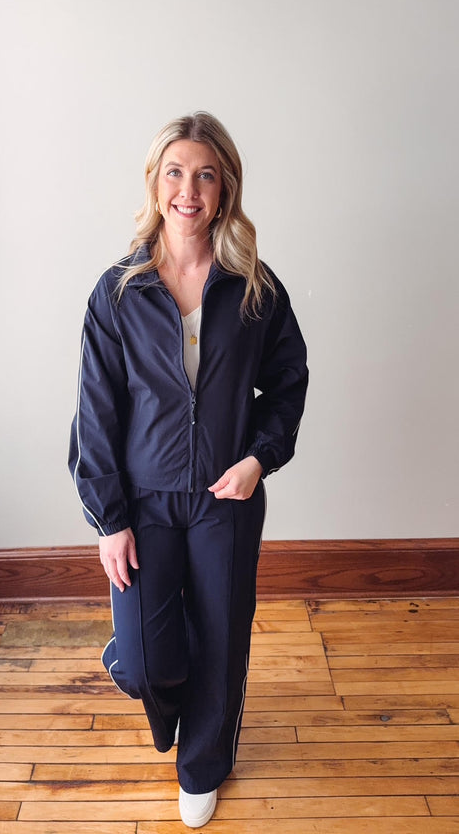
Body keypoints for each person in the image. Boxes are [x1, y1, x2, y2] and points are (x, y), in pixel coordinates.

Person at [69, 111, 308, 828]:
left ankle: (202, 766)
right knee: (146, 664)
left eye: (205, 173)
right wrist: (108, 520)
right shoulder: (117, 292)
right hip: (142, 500)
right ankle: (140, 661)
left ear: (224, 187)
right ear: (155, 183)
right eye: (175, 172)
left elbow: (289, 382)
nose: (189, 189)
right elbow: (93, 413)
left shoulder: (253, 287)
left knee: (223, 638)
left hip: (223, 498)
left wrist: (258, 459)